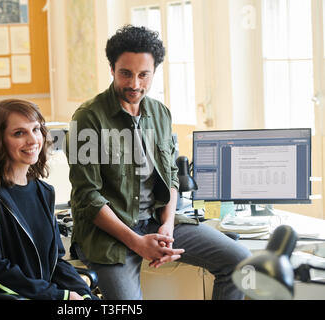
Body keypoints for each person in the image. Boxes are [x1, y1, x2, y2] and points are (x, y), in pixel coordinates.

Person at [67, 25, 251, 300]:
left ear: (154, 72)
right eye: (125, 73)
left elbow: (171, 177)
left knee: (241, 261)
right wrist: (138, 243)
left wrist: (166, 226)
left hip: (156, 221)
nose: (135, 84)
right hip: (109, 235)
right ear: (112, 68)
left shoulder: (160, 114)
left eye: (144, 75)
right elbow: (86, 196)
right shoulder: (88, 118)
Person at [0, 99, 94, 300]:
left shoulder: (44, 192)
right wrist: (59, 296)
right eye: (19, 133)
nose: (32, 140)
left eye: (36, 129)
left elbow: (55, 263)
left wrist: (83, 294)